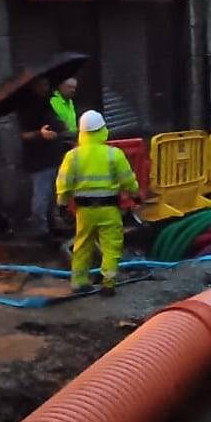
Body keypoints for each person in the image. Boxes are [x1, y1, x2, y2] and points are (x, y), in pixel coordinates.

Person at [56, 110, 139, 295]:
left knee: (82, 244)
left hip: (84, 211)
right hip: (109, 208)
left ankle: (78, 282)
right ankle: (108, 282)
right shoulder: (113, 155)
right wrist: (135, 195)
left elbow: (63, 182)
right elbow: (127, 179)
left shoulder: (73, 156)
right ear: (103, 130)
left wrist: (62, 204)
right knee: (111, 245)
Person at [17, 77, 67, 238]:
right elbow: (23, 134)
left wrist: (61, 127)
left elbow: (55, 122)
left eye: (47, 84)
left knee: (52, 193)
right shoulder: (27, 107)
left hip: (53, 154)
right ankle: (40, 228)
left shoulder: (48, 102)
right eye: (42, 85)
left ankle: (52, 224)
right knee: (42, 193)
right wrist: (40, 134)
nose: (46, 88)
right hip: (38, 158)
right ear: (35, 86)